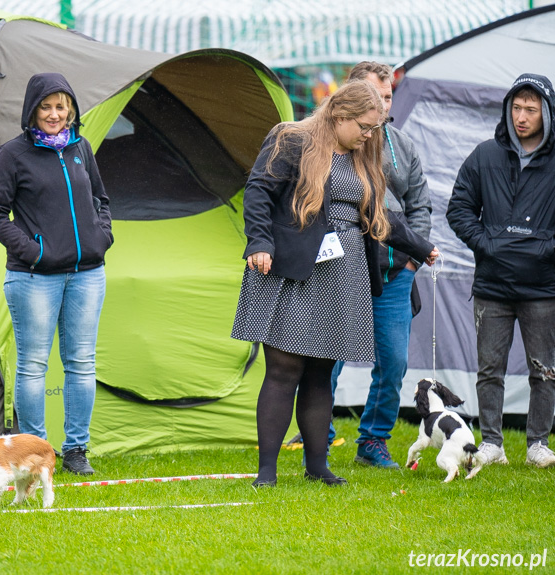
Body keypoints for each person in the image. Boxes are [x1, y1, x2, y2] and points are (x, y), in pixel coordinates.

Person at [231, 80, 437, 488]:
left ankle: (317, 466)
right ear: (339, 116)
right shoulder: (291, 139)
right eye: (364, 126)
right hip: (291, 269)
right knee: (283, 369)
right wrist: (259, 241)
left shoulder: (365, 153)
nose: (370, 135)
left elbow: (380, 216)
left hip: (343, 275)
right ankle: (267, 473)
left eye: (374, 128)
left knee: (321, 373)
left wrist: (421, 246)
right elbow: (258, 191)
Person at [0, 73, 112, 476]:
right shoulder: (12, 154)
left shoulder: (81, 148)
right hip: (34, 278)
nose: (54, 115)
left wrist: (101, 235)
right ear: (32, 111)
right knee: (34, 366)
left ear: (71, 109)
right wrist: (32, 250)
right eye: (46, 107)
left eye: (61, 107)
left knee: (81, 364)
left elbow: (100, 198)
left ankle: (76, 451)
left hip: (88, 274)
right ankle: (35, 452)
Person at [319, 62, 433, 469]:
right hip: (342, 270)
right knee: (326, 358)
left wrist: (411, 261)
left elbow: (420, 205)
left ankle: (373, 441)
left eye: (387, 97)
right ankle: (319, 437)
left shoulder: (401, 145)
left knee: (393, 361)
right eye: (373, 97)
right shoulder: (331, 147)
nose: (381, 106)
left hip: (394, 273)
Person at [447, 73, 555, 469]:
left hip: (544, 286)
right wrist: (486, 243)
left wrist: (546, 248)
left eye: (531, 109)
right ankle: (492, 442)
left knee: (545, 369)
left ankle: (537, 444)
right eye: (516, 107)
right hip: (492, 284)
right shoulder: (484, 155)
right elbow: (458, 210)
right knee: (489, 368)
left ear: (547, 113)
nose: (522, 116)